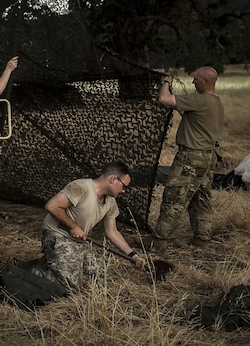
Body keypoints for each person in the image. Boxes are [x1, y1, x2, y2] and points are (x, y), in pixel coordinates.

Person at [39, 161, 147, 290]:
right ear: (113, 179)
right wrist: (73, 226)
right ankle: (35, 271)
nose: (123, 191)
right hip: (58, 235)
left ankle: (56, 264)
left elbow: (112, 231)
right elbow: (52, 206)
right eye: (124, 186)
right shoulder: (81, 187)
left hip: (78, 241)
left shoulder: (111, 202)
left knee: (100, 276)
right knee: (70, 284)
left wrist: (132, 256)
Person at [152, 65, 224, 249]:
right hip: (208, 158)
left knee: (174, 197)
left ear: (206, 82)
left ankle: (159, 239)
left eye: (196, 79)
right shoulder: (215, 102)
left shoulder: (200, 100)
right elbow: (189, 114)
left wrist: (166, 82)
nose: (192, 81)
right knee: (201, 200)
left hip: (191, 157)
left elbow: (164, 99)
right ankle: (201, 239)